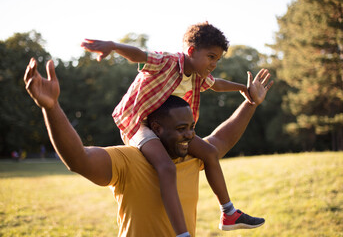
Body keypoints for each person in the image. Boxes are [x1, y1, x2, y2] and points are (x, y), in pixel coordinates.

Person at [24, 58, 273, 236]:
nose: (188, 135)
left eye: (191, 127)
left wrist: (251, 102)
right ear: (155, 128)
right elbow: (78, 159)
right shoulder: (128, 160)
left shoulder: (193, 157)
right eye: (180, 129)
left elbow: (221, 139)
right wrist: (51, 107)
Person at [81, 21, 268, 235]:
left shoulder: (198, 76)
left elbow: (216, 84)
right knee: (166, 167)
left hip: (165, 127)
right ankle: (182, 233)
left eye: (217, 58)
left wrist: (244, 89)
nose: (214, 64)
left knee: (209, 152)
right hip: (137, 122)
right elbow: (139, 55)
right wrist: (114, 46)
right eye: (211, 57)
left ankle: (229, 213)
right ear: (191, 51)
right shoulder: (167, 62)